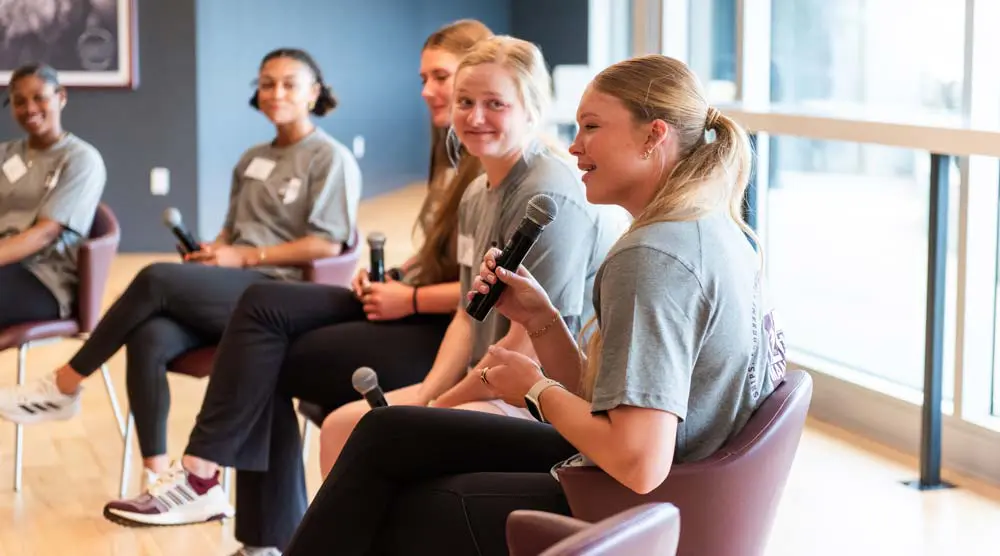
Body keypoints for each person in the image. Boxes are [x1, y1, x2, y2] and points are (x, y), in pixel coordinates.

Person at [100, 33, 627, 555]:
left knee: (363, 422)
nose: (473, 116)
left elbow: (524, 346)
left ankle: (194, 471)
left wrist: (435, 403)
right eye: (465, 102)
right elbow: (469, 318)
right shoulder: (476, 190)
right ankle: (257, 526)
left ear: (531, 109)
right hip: (482, 376)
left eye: (495, 104)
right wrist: (428, 396)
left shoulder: (548, 197)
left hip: (534, 398)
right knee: (338, 425)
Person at [279, 53, 788, 556]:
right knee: (387, 429)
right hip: (667, 490)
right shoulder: (715, 230)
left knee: (390, 498)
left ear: (654, 135)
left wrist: (535, 388)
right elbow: (608, 403)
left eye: (591, 127)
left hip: (633, 508)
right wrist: (542, 320)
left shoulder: (651, 256)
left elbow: (638, 461)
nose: (574, 145)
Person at [0, 48, 362, 488]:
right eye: (266, 83)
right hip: (235, 284)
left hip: (279, 294)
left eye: (289, 83)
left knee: (155, 278)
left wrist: (243, 257)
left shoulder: (330, 158)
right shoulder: (251, 159)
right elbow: (234, 232)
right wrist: (216, 251)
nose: (275, 92)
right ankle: (160, 476)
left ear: (313, 93)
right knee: (149, 335)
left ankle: (66, 382)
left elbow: (326, 243)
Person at [0, 63, 106, 329]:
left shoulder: (81, 159)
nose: (30, 109)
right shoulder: (6, 154)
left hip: (44, 277)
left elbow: (46, 233)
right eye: (19, 101)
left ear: (61, 97)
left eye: (39, 97)